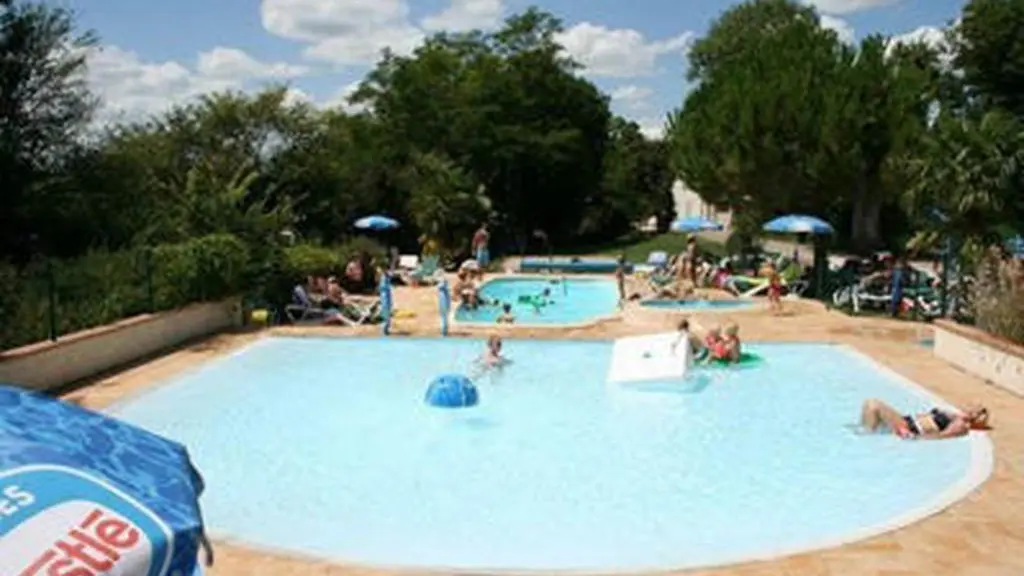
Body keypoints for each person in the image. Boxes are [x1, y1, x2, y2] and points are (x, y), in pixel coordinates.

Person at [858, 399, 989, 439]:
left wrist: (916, 438)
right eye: (974, 407)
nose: (972, 409)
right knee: (868, 408)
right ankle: (866, 433)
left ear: (976, 419)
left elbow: (942, 435)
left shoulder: (960, 425)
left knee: (873, 405)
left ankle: (866, 435)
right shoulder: (955, 416)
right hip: (907, 421)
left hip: (910, 428)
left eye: (977, 412)